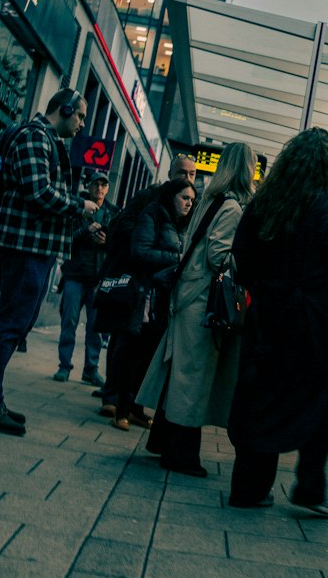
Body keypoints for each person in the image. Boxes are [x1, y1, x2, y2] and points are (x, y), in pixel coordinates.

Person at [227, 127, 328, 516]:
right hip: (313, 319)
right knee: (316, 400)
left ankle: (250, 487)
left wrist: (266, 287)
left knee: (260, 396)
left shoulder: (266, 201)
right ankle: (310, 490)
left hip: (268, 313)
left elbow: (241, 257)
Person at [0, 88, 96, 436]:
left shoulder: (44, 139)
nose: (82, 124)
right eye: (80, 115)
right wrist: (78, 205)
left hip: (35, 244)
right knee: (10, 322)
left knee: (16, 322)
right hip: (26, 244)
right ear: (64, 109)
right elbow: (38, 192)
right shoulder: (35, 137)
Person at [140, 142, 256, 477]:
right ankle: (181, 455)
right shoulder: (232, 207)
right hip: (203, 299)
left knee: (178, 374)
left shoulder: (208, 198)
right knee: (193, 379)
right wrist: (243, 260)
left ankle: (162, 443)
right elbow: (218, 255)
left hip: (186, 292)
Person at [95, 151, 196, 412]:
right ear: (171, 174)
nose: (187, 177)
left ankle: (127, 399)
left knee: (137, 342)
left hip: (156, 286)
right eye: (183, 172)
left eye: (192, 174)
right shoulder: (151, 199)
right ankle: (113, 396)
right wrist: (153, 243)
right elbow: (128, 229)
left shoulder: (186, 205)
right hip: (135, 279)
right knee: (124, 338)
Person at [53, 170, 116, 385]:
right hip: (75, 274)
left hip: (98, 278)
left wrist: (105, 241)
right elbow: (65, 237)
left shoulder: (113, 213)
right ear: (88, 186)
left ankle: (91, 368)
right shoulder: (77, 207)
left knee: (95, 327)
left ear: (108, 189)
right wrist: (85, 232)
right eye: (96, 185)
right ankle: (64, 365)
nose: (100, 189)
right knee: (68, 321)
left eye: (104, 185)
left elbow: (117, 244)